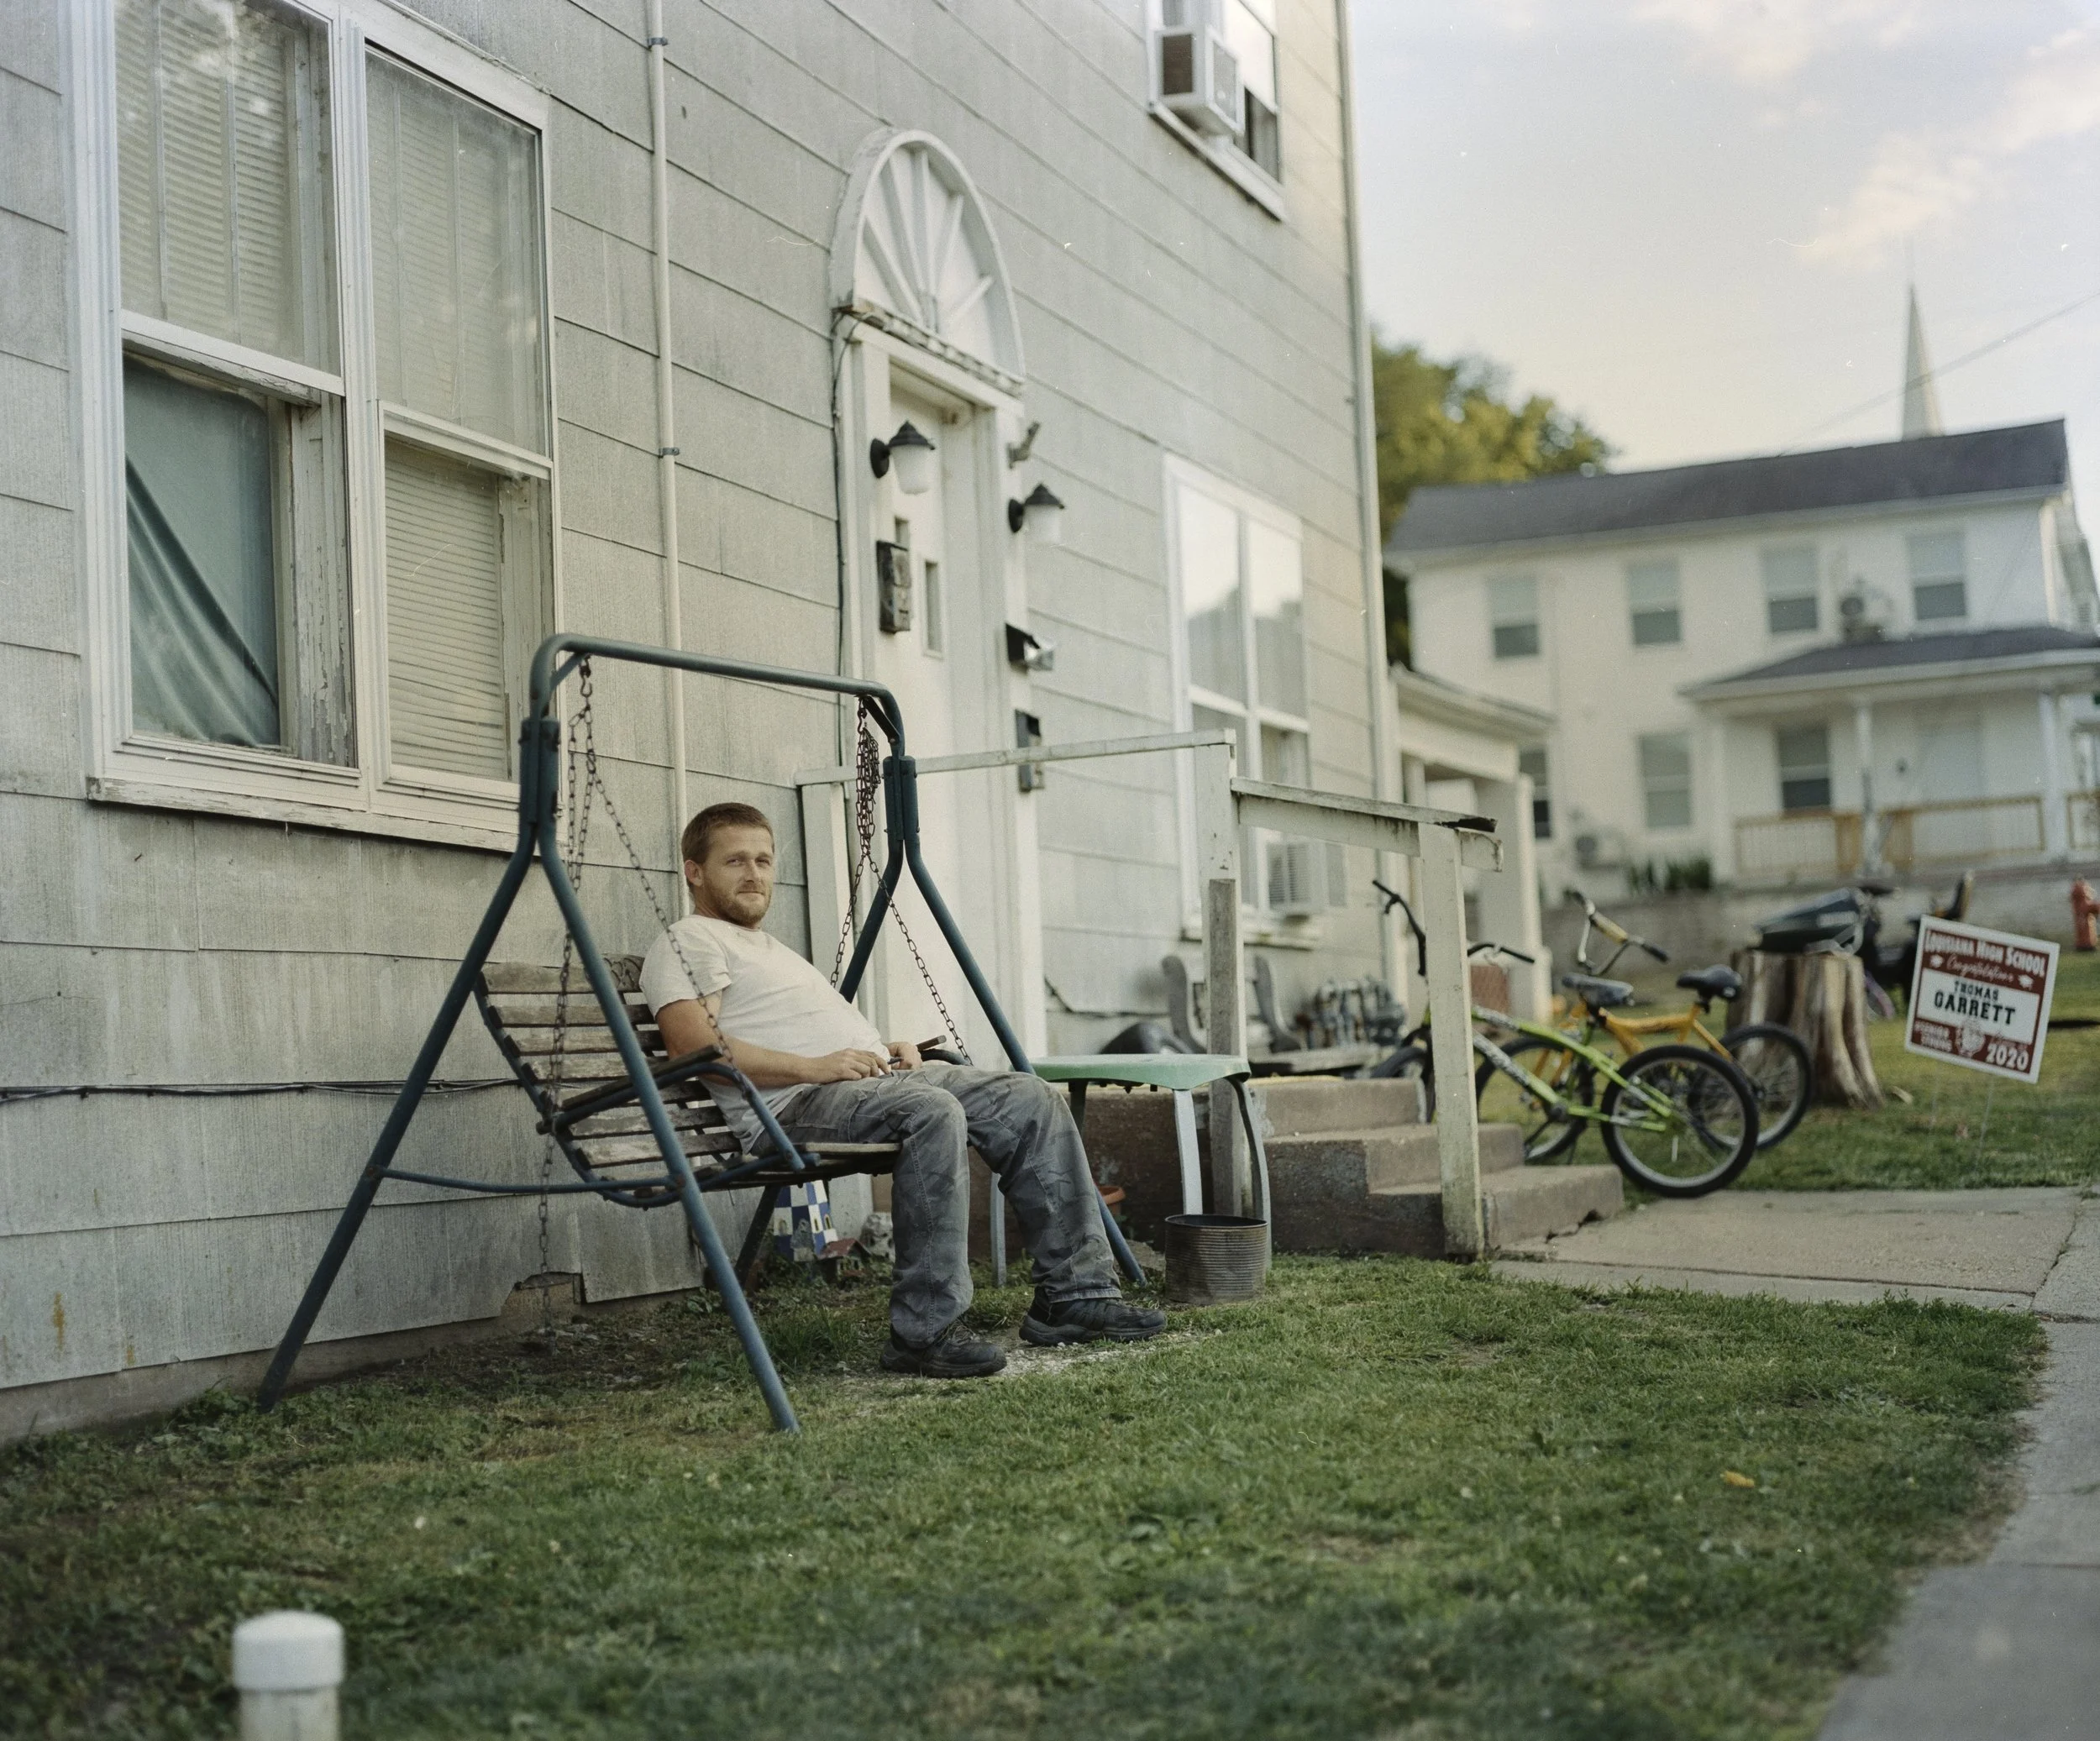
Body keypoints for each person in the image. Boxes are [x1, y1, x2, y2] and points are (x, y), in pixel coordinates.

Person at [641, 801, 1164, 1378]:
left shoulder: (766, 948)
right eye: (735, 860)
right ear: (694, 871)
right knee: (930, 1108)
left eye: (764, 859)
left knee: (1029, 1097)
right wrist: (818, 1066)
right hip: (790, 1108)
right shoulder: (689, 940)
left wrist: (879, 1049)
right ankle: (924, 1332)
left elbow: (793, 1029)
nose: (755, 873)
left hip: (865, 1084)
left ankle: (1073, 1296)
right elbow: (697, 1051)